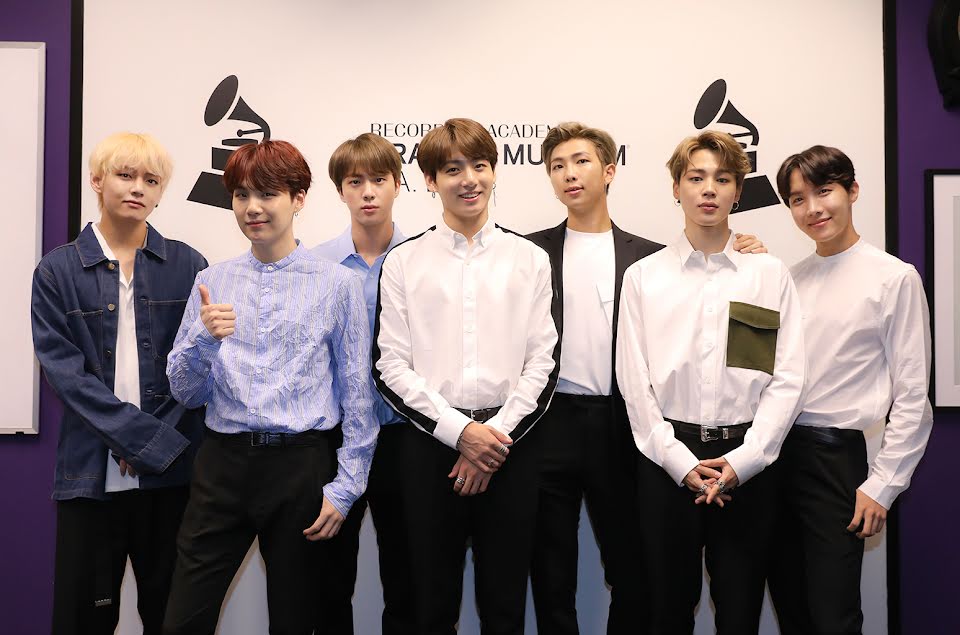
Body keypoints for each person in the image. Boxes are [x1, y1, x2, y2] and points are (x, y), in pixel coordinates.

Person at [527, 122, 765, 634]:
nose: (570, 174)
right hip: (548, 423)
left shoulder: (651, 259)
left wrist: (747, 254)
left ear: (610, 170)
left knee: (635, 570)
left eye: (582, 161)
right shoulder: (527, 252)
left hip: (624, 424)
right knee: (550, 572)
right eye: (558, 166)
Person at [162, 140, 378, 635]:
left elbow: (357, 395)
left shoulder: (336, 284)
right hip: (222, 465)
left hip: (301, 467)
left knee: (297, 620)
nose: (252, 208)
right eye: (241, 195)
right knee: (183, 621)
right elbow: (185, 392)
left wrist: (346, 488)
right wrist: (203, 339)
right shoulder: (212, 280)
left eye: (267, 194)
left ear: (298, 199)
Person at [373, 117, 558, 635]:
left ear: (495, 171)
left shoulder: (530, 259)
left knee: (505, 606)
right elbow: (390, 365)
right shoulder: (403, 262)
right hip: (430, 450)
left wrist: (490, 440)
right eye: (453, 169)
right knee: (431, 606)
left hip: (511, 450)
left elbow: (543, 362)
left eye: (479, 165)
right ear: (430, 181)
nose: (469, 179)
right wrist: (461, 434)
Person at [615, 130, 804, 634]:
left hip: (747, 464)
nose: (708, 189)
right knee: (667, 612)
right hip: (666, 461)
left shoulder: (767, 274)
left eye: (722, 179)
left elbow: (787, 378)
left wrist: (746, 460)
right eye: (696, 177)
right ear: (676, 187)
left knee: (740, 612)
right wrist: (679, 463)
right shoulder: (644, 277)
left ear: (738, 191)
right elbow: (634, 381)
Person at [31, 132, 207, 635]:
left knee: (174, 619)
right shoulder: (57, 270)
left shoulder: (189, 265)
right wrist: (136, 437)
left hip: (171, 477)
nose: (137, 188)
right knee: (82, 620)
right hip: (90, 479)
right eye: (125, 175)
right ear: (96, 180)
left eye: (151, 180)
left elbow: (197, 367)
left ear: (161, 192)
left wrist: (152, 445)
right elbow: (65, 374)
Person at [768, 145, 933, 635]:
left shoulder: (894, 278)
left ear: (852, 190)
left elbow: (913, 396)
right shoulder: (789, 279)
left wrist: (883, 485)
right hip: (774, 455)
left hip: (833, 459)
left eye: (824, 191)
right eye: (798, 199)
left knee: (833, 614)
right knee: (791, 608)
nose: (813, 209)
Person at [312, 132, 413, 635]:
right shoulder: (316, 265)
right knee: (328, 581)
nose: (368, 192)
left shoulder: (422, 258)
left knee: (408, 579)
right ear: (340, 191)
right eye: (355, 182)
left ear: (398, 183)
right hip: (335, 439)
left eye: (379, 179)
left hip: (406, 436)